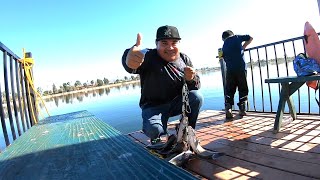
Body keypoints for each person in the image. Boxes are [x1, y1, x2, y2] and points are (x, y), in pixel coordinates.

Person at [122, 25, 203, 144]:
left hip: (177, 103)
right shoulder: (148, 56)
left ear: (179, 44)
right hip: (153, 107)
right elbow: (132, 60)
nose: (170, 47)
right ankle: (156, 138)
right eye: (164, 43)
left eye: (174, 42)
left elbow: (196, 86)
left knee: (197, 97)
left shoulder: (184, 59)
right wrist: (128, 59)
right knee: (155, 130)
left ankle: (187, 131)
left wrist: (191, 79)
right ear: (156, 44)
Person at [221, 30, 253, 119]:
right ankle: (242, 109)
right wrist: (243, 47)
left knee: (230, 89)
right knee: (243, 88)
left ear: (224, 39)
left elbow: (222, 57)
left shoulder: (224, 45)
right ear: (232, 35)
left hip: (230, 70)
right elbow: (250, 37)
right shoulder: (237, 37)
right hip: (241, 68)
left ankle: (228, 108)